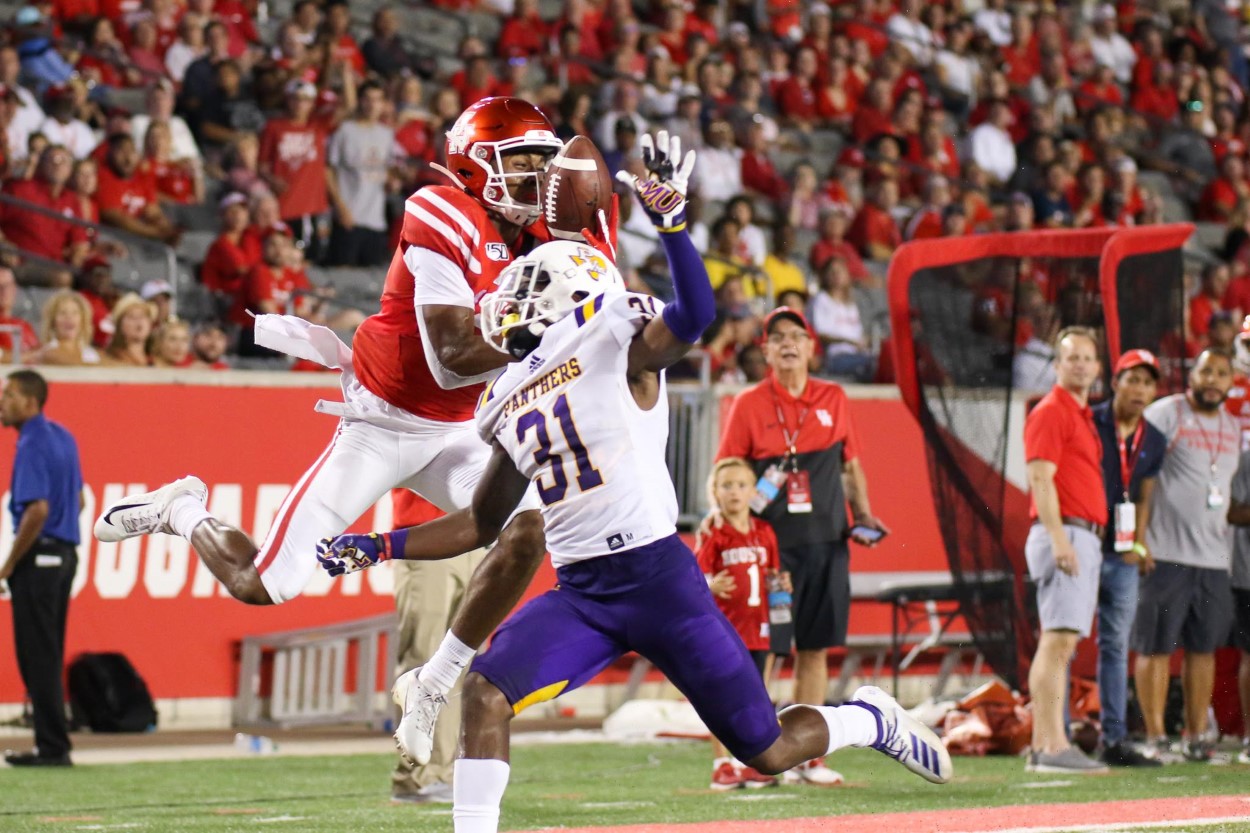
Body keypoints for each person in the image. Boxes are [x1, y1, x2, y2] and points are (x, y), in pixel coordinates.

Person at [316, 155, 951, 833]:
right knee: (485, 693)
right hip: (583, 594)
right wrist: (379, 544)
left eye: (525, 284)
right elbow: (480, 521)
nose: (504, 296)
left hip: (660, 582)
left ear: (566, 291)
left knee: (764, 748)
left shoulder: (615, 340)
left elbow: (696, 313)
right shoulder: (507, 392)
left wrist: (673, 225)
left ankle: (867, 719)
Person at [93, 97, 567, 769]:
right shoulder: (442, 209)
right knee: (265, 583)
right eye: (520, 162)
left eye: (542, 163)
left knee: (530, 528)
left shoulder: (542, 235)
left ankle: (433, 681)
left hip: (457, 428)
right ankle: (182, 509)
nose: (535, 177)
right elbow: (450, 357)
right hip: (383, 422)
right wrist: (538, 332)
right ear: (475, 164)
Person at [715, 304, 889, 786]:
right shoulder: (748, 404)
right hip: (772, 554)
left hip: (827, 544)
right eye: (778, 338)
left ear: (812, 348)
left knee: (814, 650)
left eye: (797, 335)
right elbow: (728, 473)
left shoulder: (834, 397)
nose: (788, 343)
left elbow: (851, 466)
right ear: (765, 351)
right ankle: (753, 753)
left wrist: (864, 515)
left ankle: (808, 755)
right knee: (763, 652)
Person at [1135, 349, 1239, 763]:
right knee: (1155, 647)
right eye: (1206, 371)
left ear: (1231, 381)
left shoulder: (1232, 426)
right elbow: (1140, 476)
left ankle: (1196, 737)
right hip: (1164, 553)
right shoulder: (1166, 413)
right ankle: (1156, 737)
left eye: (1221, 374)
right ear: (1191, 375)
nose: (1213, 380)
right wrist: (1139, 540)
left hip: (1214, 558)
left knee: (1203, 649)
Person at [1022, 325, 1109, 773]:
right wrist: (1059, 538)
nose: (1080, 365)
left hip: (1078, 534)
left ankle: (1048, 744)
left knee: (1060, 642)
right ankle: (1051, 747)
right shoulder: (1052, 410)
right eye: (1072, 357)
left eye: (1087, 358)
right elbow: (1040, 478)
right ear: (1056, 365)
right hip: (1066, 534)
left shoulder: (1078, 413)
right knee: (1057, 642)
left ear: (1097, 368)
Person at [0, 370, 82, 767]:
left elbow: (37, 509)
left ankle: (52, 747)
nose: (2, 402)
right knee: (47, 653)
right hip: (64, 556)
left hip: (39, 560)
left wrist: (8, 566)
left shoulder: (31, 442)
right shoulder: (63, 436)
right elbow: (78, 500)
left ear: (30, 402)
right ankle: (52, 743)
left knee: (37, 657)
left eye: (9, 395)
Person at [1090, 349, 1167, 767]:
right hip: (1085, 544)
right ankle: (1056, 737)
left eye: (1147, 382)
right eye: (1132, 379)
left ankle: (1114, 739)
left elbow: (1144, 495)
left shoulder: (1153, 438)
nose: (1139, 389)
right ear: (1115, 382)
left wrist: (1139, 542)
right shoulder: (1090, 421)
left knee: (1116, 645)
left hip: (1121, 554)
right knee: (1063, 643)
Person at [389, 490, 486, 805]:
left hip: (479, 536)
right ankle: (416, 775)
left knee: (462, 666)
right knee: (423, 660)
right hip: (426, 535)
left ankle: (445, 773)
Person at [695, 457, 785, 791]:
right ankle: (721, 764)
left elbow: (773, 575)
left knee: (756, 697)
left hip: (758, 627)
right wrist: (710, 585)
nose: (734, 492)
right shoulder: (713, 533)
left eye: (741, 485)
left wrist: (783, 586)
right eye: (726, 486)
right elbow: (693, 578)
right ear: (715, 492)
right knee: (721, 695)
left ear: (753, 491)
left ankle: (750, 762)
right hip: (725, 627)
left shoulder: (765, 532)